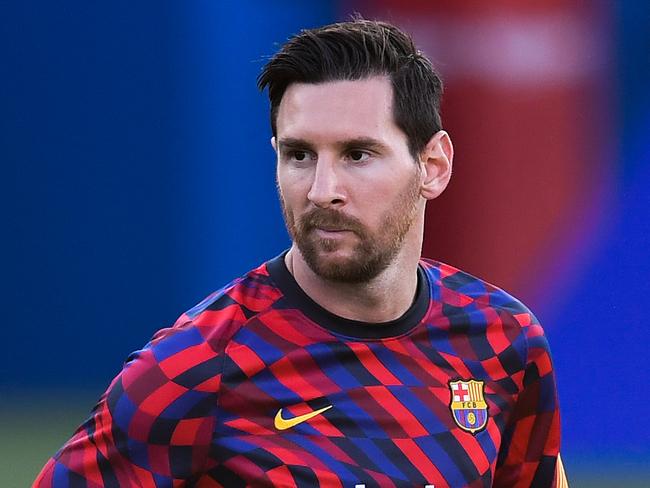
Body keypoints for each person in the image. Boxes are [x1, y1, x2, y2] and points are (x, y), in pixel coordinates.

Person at [35, 19, 567, 488]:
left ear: (432, 165)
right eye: (300, 155)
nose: (321, 189)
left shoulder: (504, 340)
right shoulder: (196, 367)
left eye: (358, 154)